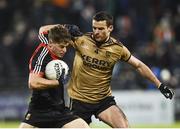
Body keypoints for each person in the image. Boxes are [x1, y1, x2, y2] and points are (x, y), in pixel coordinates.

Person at [39, 11, 174, 128]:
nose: (96, 32)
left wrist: (159, 85)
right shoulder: (80, 39)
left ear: (110, 28)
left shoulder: (117, 48)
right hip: (79, 101)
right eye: (94, 28)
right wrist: (62, 27)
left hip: (103, 101)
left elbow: (139, 65)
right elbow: (42, 30)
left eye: (100, 29)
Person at [19, 26, 89, 128]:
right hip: (39, 111)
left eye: (66, 46)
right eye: (61, 46)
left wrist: (65, 26)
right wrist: (58, 82)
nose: (64, 50)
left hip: (59, 110)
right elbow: (33, 82)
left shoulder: (46, 38)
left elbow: (42, 29)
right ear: (50, 43)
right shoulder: (42, 57)